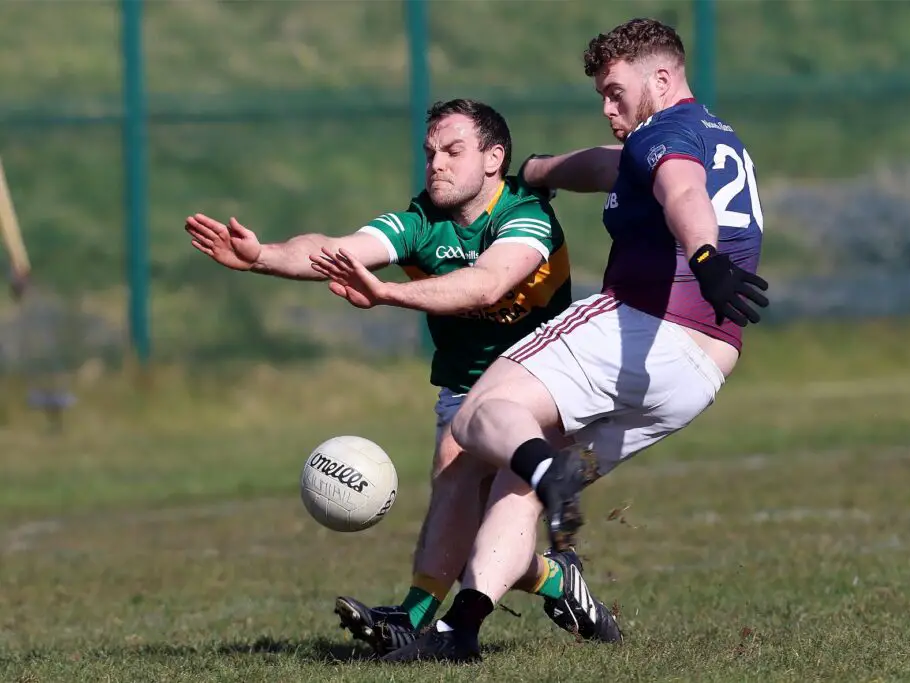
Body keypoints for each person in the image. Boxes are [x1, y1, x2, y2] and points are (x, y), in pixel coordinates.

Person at [377, 18, 770, 663]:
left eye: (615, 92)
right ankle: (460, 630)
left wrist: (703, 254)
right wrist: (538, 169)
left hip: (642, 326)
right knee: (521, 484)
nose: (609, 109)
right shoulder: (712, 135)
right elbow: (611, 167)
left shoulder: (665, 138)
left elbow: (680, 191)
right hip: (698, 375)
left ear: (663, 79)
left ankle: (544, 468)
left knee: (477, 418)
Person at [184, 98, 621, 656]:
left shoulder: (524, 214)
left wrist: (386, 293)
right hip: (466, 388)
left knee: (470, 489)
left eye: (453, 151)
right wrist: (263, 255)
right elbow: (336, 250)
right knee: (467, 525)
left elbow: (486, 284)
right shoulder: (420, 222)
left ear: (494, 158)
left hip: (546, 383)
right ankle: (557, 581)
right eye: (431, 152)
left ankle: (417, 619)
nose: (436, 163)